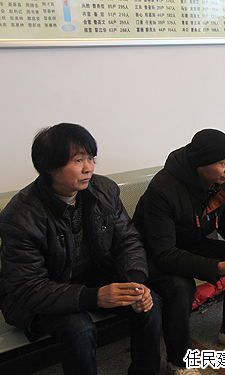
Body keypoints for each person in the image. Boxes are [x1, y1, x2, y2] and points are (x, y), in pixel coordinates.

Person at [0, 123, 162, 375]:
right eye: (78, 160)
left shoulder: (104, 190)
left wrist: (134, 282)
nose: (89, 168)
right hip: (36, 297)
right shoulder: (20, 215)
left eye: (91, 158)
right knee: (79, 329)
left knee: (149, 305)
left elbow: (128, 240)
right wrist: (94, 297)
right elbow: (27, 287)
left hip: (89, 279)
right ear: (49, 167)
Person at [133, 129, 225, 375]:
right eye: (223, 163)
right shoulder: (163, 189)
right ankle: (179, 362)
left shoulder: (224, 180)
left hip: (190, 242)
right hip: (152, 253)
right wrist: (218, 267)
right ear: (200, 164)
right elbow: (164, 254)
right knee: (180, 286)